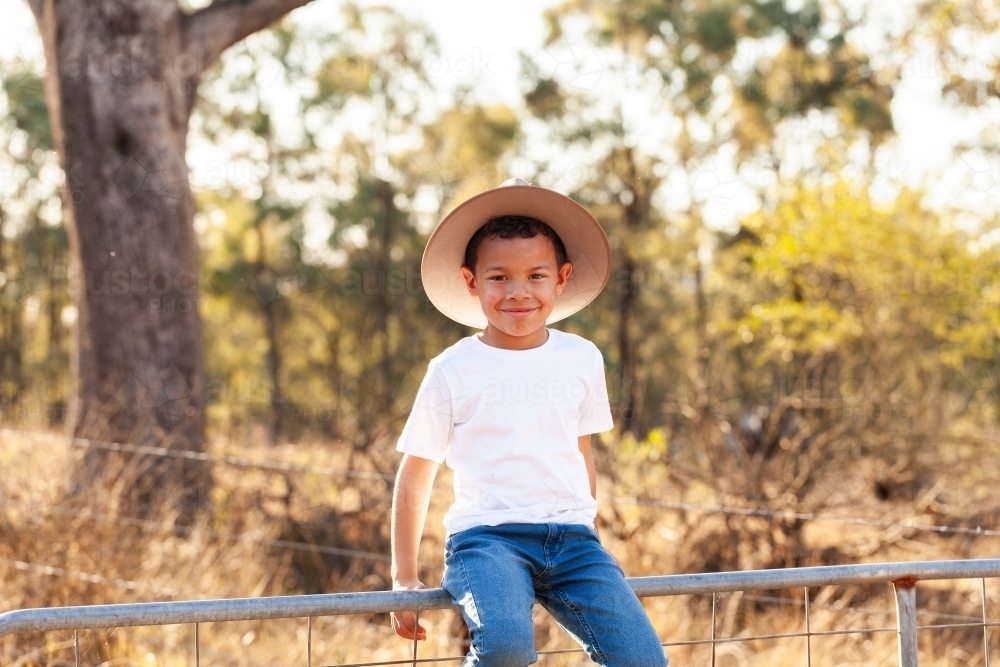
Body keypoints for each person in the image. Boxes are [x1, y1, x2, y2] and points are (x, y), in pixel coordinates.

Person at [389, 178, 668, 666]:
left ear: (561, 278)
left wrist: (589, 531)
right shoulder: (452, 369)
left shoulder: (581, 357)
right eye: (498, 278)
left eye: (536, 276)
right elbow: (416, 473)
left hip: (575, 541)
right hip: (488, 540)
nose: (518, 292)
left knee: (643, 660)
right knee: (507, 646)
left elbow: (579, 453)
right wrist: (403, 575)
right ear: (472, 282)